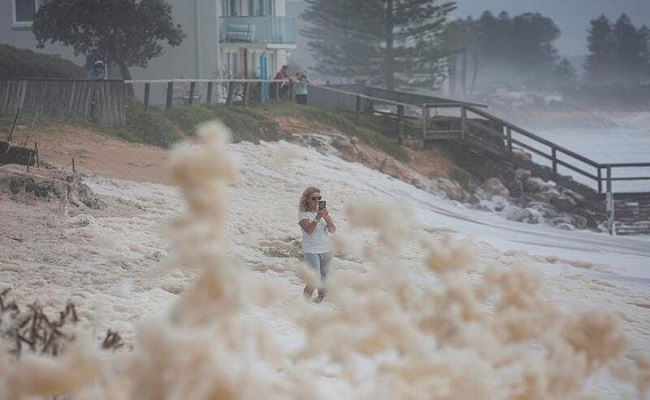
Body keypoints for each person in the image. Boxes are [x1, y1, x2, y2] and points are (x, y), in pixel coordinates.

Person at [298, 186, 336, 303]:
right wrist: (317, 217)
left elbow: (332, 230)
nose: (317, 201)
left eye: (319, 198)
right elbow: (309, 230)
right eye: (314, 198)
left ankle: (320, 300)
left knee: (324, 279)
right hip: (311, 250)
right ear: (307, 200)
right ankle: (304, 302)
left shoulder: (322, 212)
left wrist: (327, 218)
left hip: (326, 249)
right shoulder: (303, 214)